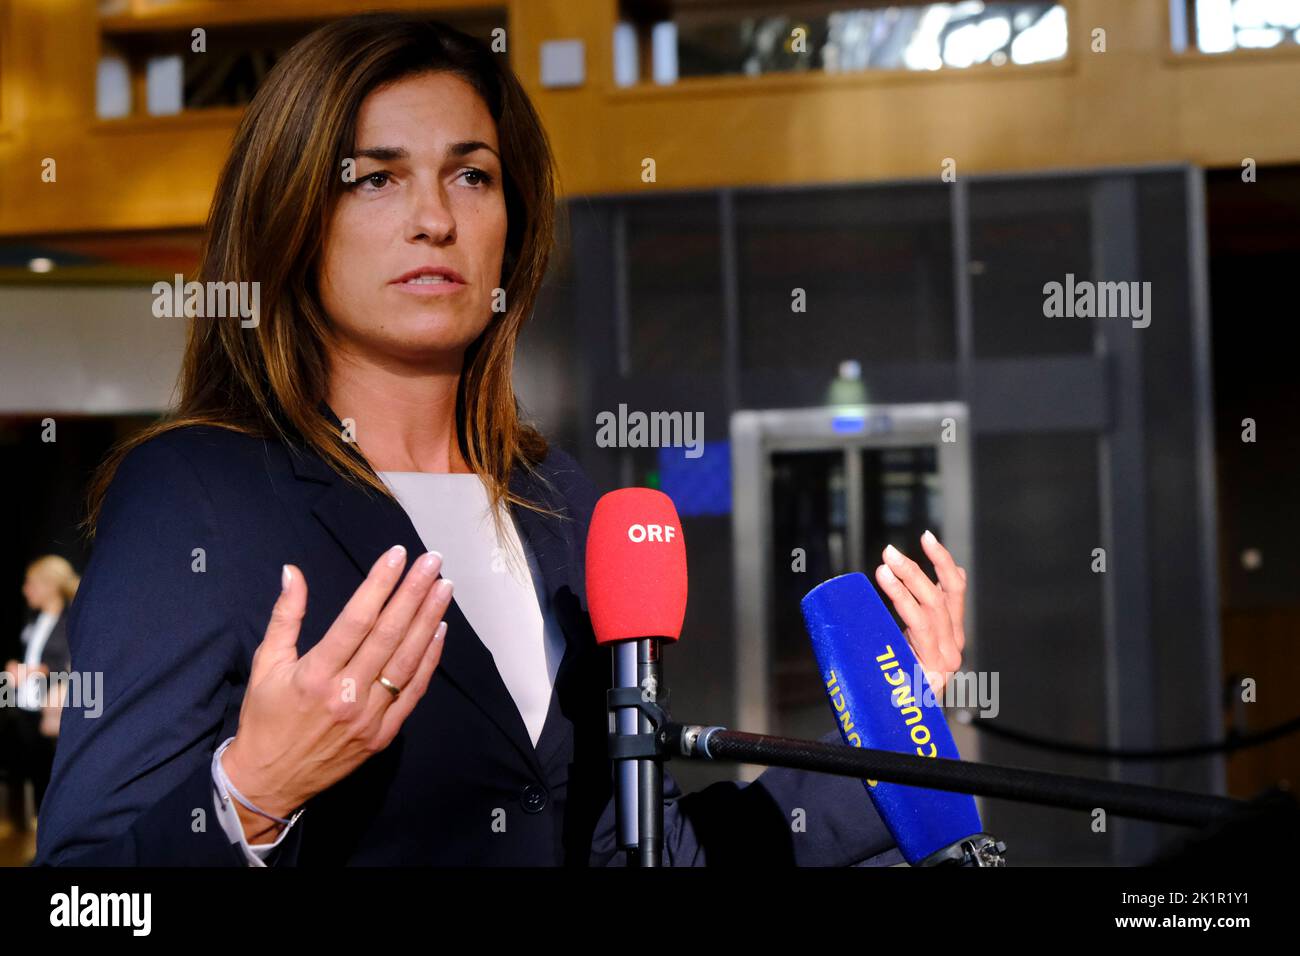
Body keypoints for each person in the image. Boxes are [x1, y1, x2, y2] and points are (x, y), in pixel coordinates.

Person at [35, 14, 966, 867]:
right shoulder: (195, 492)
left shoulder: (560, 504)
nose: (434, 218)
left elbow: (644, 850)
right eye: (375, 176)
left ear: (511, 225)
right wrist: (250, 795)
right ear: (289, 219)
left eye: (471, 174)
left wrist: (892, 738)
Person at [1, 555, 76, 835]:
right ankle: (22, 828)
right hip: (23, 706)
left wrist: (35, 671)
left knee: (48, 776)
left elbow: (69, 665)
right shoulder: (34, 618)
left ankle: (48, 834)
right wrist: (18, 669)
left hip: (51, 712)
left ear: (49, 585)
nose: (25, 589)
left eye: (31, 583)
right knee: (20, 767)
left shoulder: (71, 620)